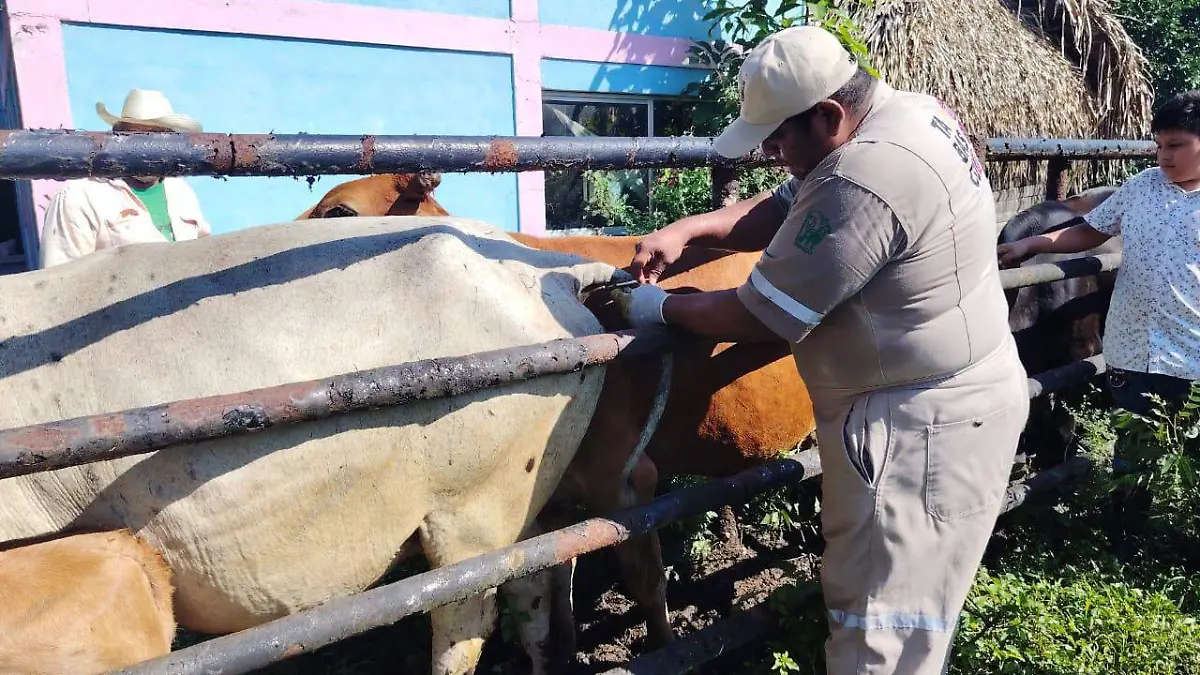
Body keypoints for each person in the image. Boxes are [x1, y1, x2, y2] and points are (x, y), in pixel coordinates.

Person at [612, 26, 1030, 674]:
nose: (776, 156)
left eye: (780, 141)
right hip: (948, 400)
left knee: (880, 632)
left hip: (917, 430)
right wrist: (691, 229)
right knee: (912, 611)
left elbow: (761, 311)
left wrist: (657, 307)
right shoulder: (909, 113)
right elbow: (788, 205)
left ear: (829, 115)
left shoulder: (865, 178)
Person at [998, 90, 1200, 418]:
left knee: (1184, 454)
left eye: (1176, 145)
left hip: (1189, 356)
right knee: (1131, 448)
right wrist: (1030, 244)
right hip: (1130, 352)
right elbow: (1091, 230)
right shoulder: (1142, 187)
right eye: (1160, 146)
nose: (1164, 156)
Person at [39, 89, 212, 268]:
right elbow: (59, 280)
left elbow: (204, 256)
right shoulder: (78, 197)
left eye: (158, 135)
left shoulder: (182, 192)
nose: (147, 147)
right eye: (136, 136)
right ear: (117, 137)